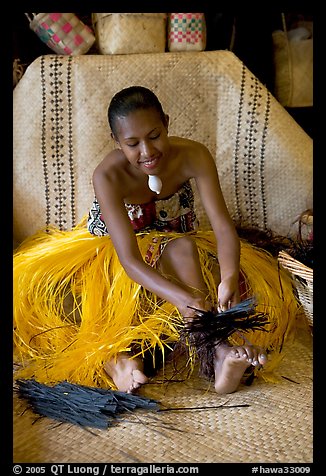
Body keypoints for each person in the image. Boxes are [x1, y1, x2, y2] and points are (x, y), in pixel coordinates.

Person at [13, 86, 298, 395]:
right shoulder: (107, 176)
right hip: (120, 262)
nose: (147, 152)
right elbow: (131, 260)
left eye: (154, 136)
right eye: (132, 144)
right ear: (116, 142)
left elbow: (223, 228)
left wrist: (228, 276)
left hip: (177, 257)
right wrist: (180, 297)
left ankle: (217, 353)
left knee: (187, 251)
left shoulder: (194, 155)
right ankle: (124, 361)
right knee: (67, 300)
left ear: (166, 122)